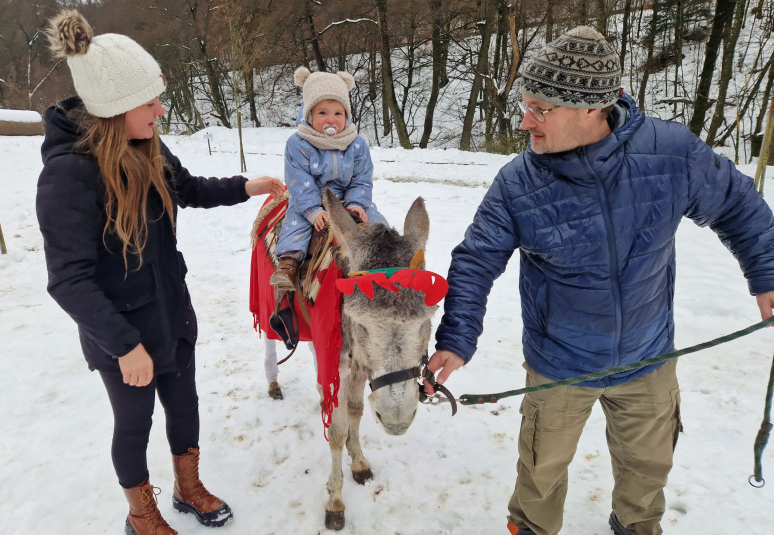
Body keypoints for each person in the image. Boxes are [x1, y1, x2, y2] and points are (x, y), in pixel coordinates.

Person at [424, 26, 774, 535]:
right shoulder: (518, 183)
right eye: (525, 105)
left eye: (540, 109)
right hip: (559, 363)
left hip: (648, 356)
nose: (525, 121)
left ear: (591, 108)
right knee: (540, 471)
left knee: (648, 468)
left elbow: (738, 206)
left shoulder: (671, 154)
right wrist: (456, 339)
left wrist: (767, 274)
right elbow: (477, 260)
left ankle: (637, 526)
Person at [36, 10, 284, 535]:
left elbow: (187, 188)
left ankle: (187, 487)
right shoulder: (68, 175)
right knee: (134, 425)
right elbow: (68, 279)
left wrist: (247, 187)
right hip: (121, 333)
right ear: (114, 108)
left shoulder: (146, 145)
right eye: (148, 102)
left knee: (185, 407)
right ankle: (140, 514)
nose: (160, 110)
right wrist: (125, 345)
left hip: (171, 311)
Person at [269, 66, 387, 290]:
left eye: (338, 114)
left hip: (346, 199)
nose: (331, 120)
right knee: (297, 225)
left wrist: (356, 203)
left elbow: (362, 178)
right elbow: (298, 180)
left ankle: (388, 261)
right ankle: (288, 263)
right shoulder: (298, 143)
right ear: (309, 114)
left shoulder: (356, 144)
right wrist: (312, 210)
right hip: (312, 199)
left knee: (378, 225)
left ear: (346, 115)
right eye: (322, 113)